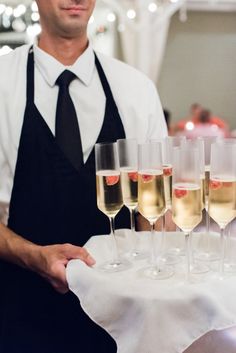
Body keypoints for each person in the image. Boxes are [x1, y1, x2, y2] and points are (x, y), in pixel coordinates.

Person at [0, 1, 168, 352]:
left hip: (121, 325)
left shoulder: (136, 89)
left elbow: (156, 212)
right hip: (19, 315)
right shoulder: (3, 81)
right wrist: (33, 255)